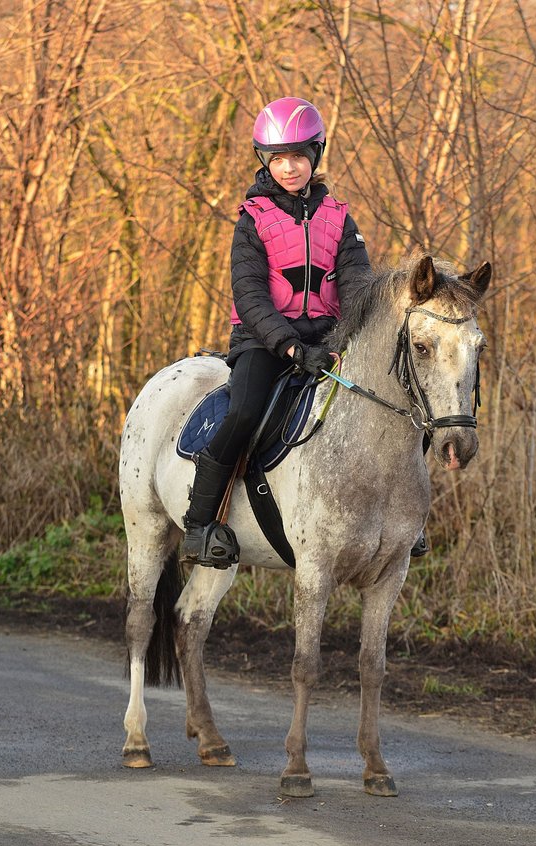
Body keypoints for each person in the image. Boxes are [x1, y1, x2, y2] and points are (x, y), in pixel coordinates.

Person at [179, 97, 372, 567]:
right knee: (244, 413)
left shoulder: (340, 218)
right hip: (263, 340)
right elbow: (249, 296)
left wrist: (348, 339)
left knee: (387, 399)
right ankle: (200, 524)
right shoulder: (252, 220)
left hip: (326, 340)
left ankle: (401, 521)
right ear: (266, 161)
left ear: (316, 156)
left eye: (299, 157)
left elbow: (358, 287)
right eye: (279, 158)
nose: (289, 167)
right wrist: (288, 345)